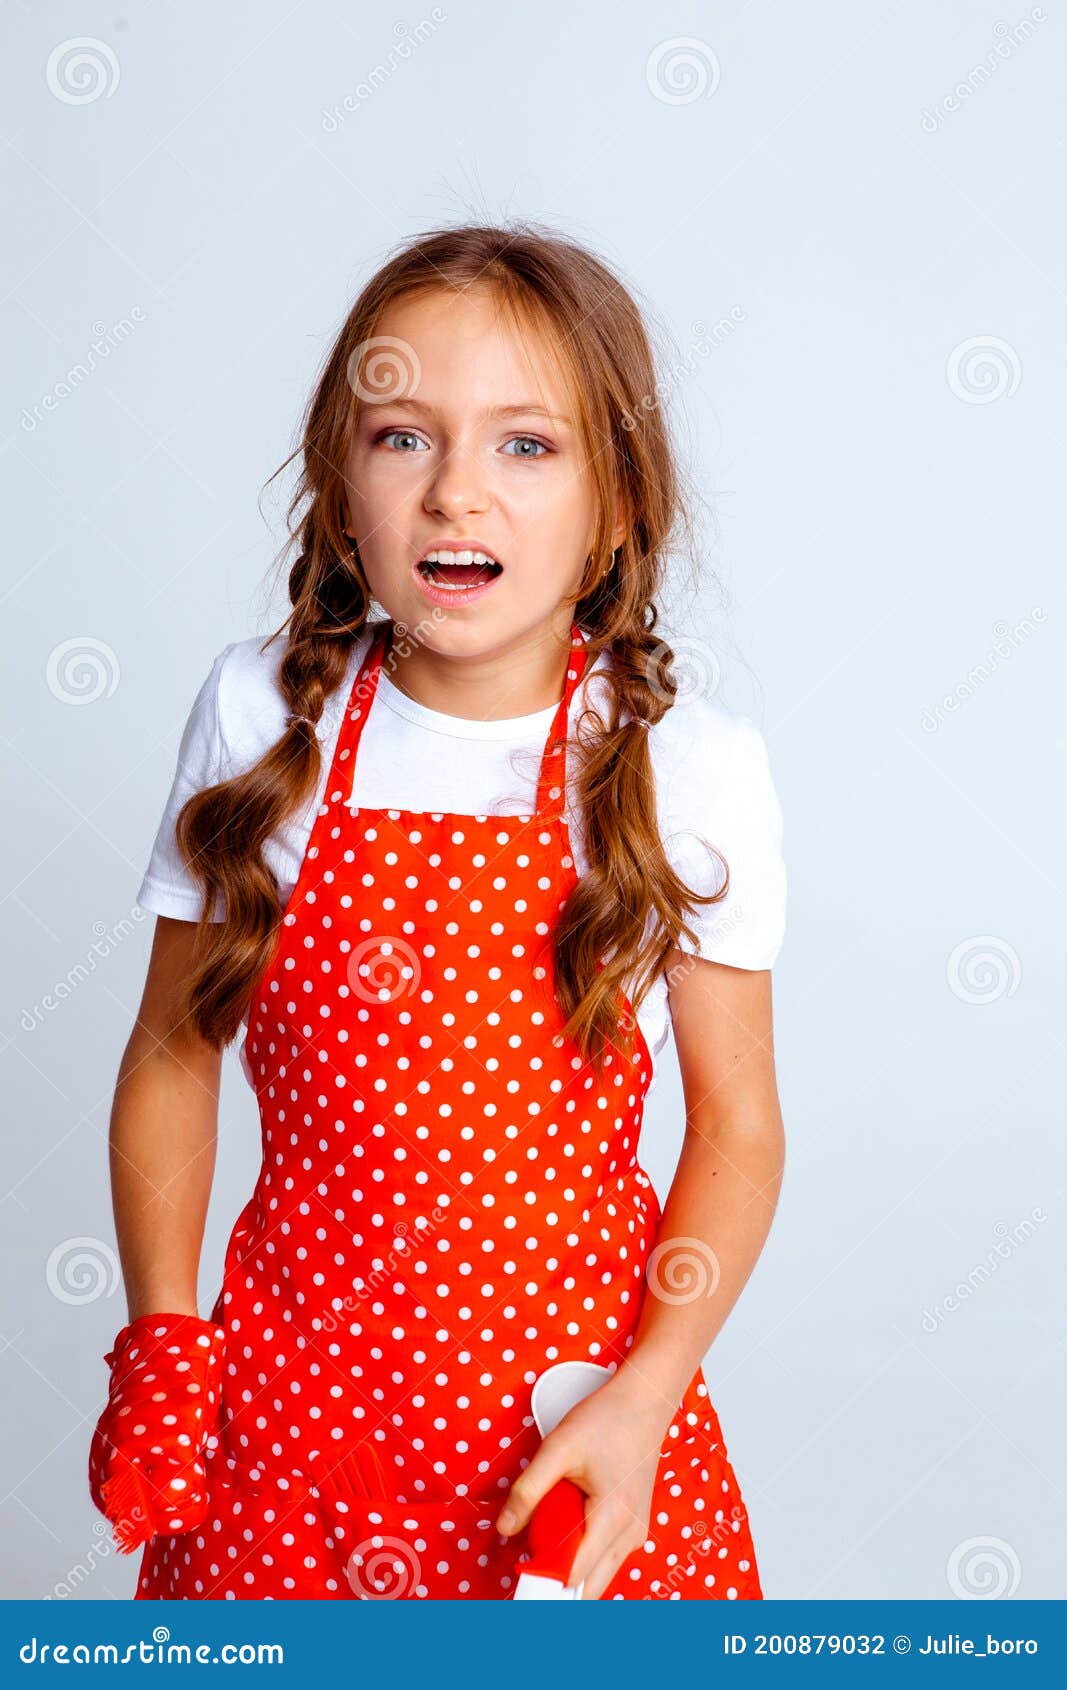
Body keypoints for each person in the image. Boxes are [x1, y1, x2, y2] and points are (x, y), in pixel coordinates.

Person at [88, 224, 787, 1601]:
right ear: (344, 490)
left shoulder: (685, 764)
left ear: (619, 503)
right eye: (404, 437)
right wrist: (164, 1340)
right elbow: (173, 1050)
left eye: (527, 446)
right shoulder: (257, 715)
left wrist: (648, 1390)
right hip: (285, 1445)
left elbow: (738, 1125)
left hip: (568, 1440)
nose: (458, 490)